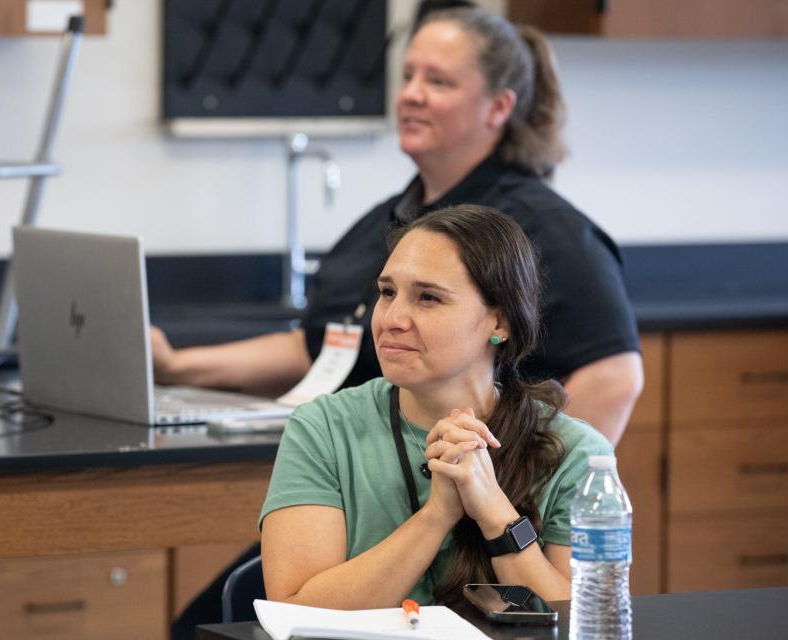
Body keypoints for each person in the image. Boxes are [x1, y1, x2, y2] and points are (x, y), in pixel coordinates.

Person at [154, 5, 641, 445]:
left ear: (499, 107)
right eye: (408, 76)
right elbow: (323, 348)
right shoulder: (392, 219)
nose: (411, 95)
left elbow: (614, 379)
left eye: (439, 82)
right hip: (359, 478)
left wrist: (516, 498)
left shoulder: (548, 230)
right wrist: (177, 366)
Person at [261, 204, 613, 606]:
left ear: (499, 323)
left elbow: (585, 623)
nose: (392, 318)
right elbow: (295, 609)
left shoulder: (578, 454)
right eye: (387, 292)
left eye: (427, 298)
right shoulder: (322, 428)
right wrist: (436, 515)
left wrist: (496, 514)